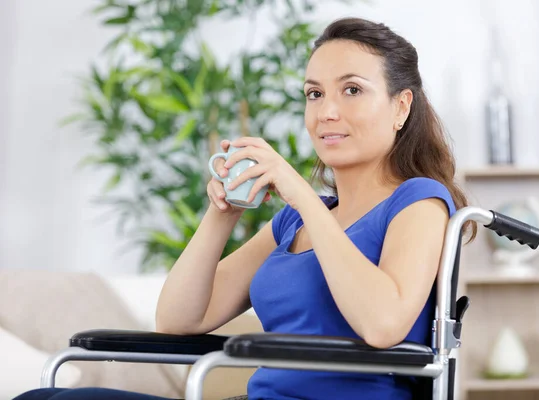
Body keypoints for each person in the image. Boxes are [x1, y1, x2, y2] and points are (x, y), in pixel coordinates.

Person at [15, 16, 475, 400]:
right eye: (314, 94)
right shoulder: (294, 221)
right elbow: (178, 320)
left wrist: (299, 194)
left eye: (351, 90)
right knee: (43, 396)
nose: (326, 112)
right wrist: (222, 215)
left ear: (401, 107)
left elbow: (382, 324)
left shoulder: (418, 201)